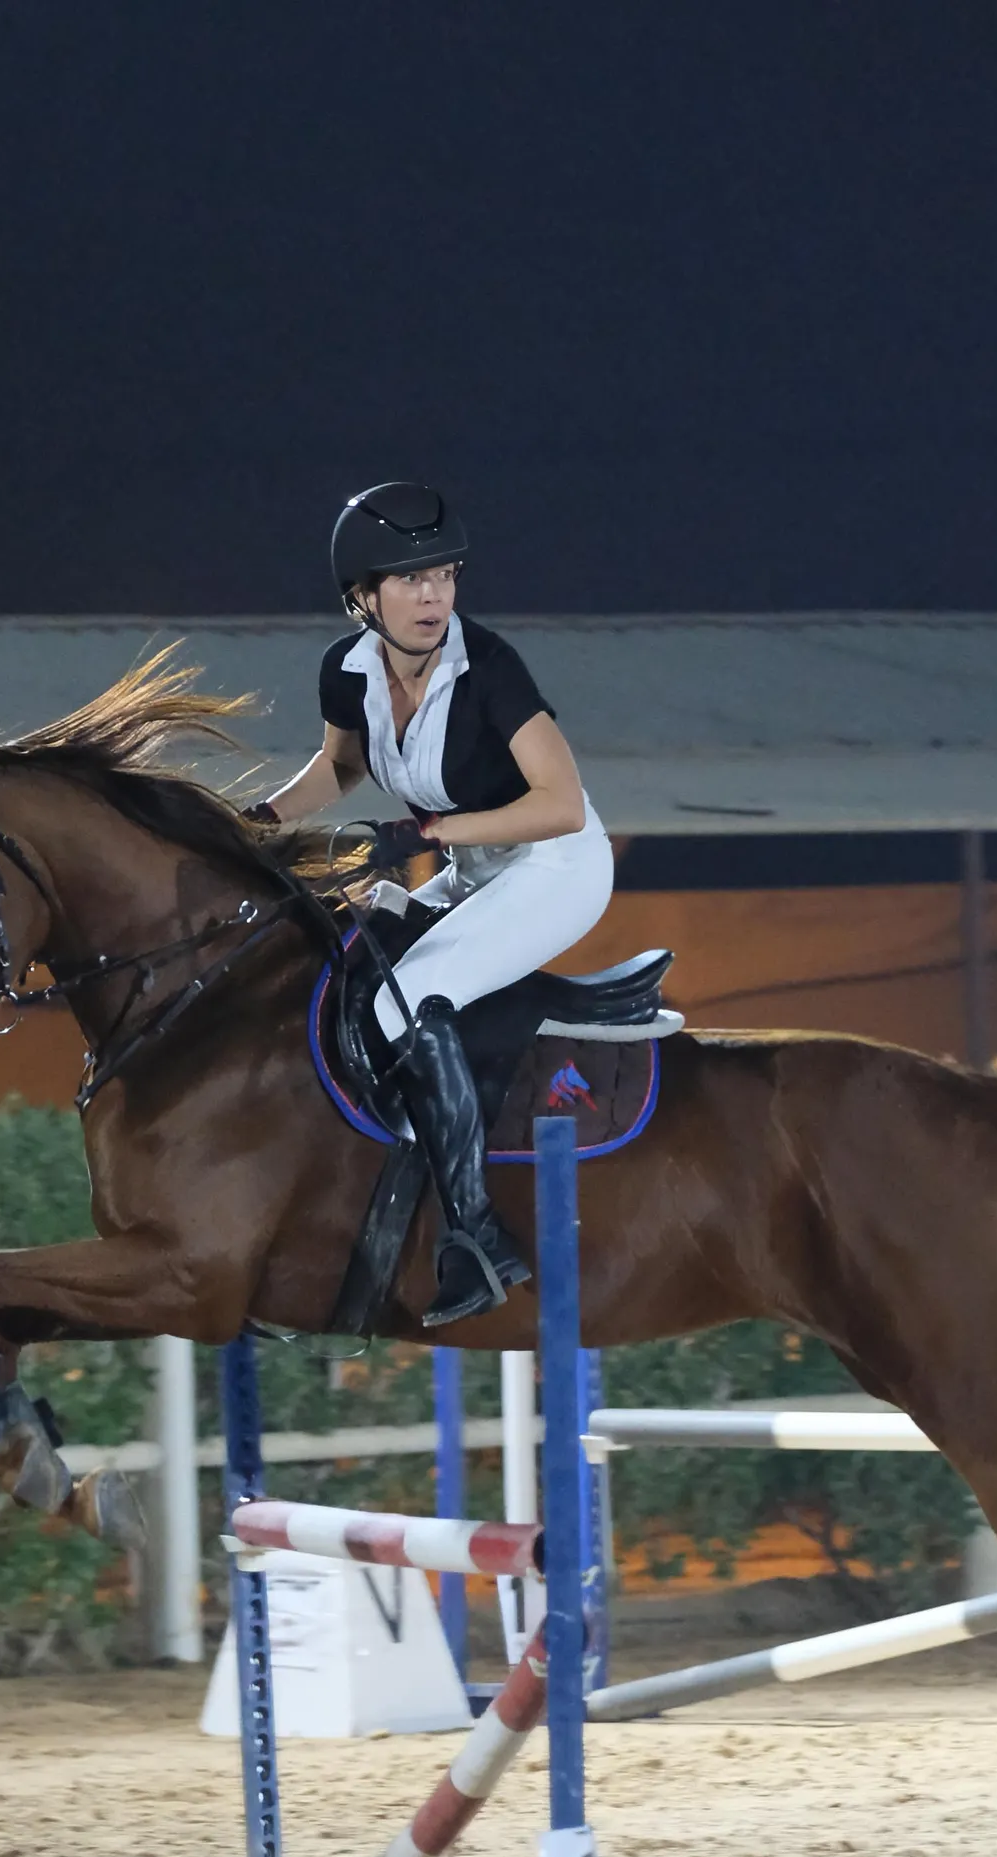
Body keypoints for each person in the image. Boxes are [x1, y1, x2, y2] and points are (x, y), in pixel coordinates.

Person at [256, 482, 615, 1327]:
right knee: (356, 969)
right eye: (412, 580)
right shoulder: (347, 670)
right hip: (475, 867)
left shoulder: (488, 668)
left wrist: (426, 831)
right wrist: (259, 821)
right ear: (362, 597)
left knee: (408, 1000)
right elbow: (341, 767)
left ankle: (476, 1235)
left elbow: (562, 803)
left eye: (445, 576)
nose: (434, 597)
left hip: (556, 865)